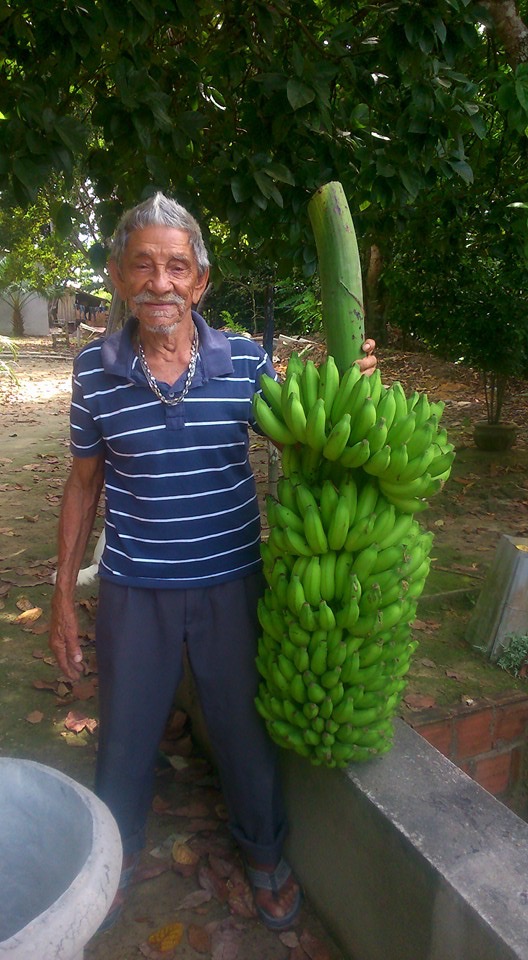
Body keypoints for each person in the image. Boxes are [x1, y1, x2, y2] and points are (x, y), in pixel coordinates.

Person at [49, 192, 377, 932]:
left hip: (233, 580)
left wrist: (350, 376)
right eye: (143, 265)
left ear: (199, 282)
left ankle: (264, 854)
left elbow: (308, 436)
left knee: (242, 732)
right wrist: (64, 595)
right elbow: (83, 483)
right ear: (117, 277)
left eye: (176, 266)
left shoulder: (248, 361)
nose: (159, 282)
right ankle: (117, 857)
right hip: (137, 588)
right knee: (125, 739)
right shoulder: (93, 374)